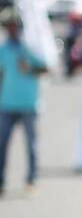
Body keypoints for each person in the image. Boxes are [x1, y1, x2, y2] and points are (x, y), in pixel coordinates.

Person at [0, 12, 47, 195]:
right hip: (7, 104)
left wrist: (30, 68)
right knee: (3, 144)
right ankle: (1, 180)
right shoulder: (4, 50)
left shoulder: (29, 48)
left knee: (31, 145)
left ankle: (31, 178)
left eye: (15, 27)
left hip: (28, 104)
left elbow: (45, 68)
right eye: (9, 27)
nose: (12, 30)